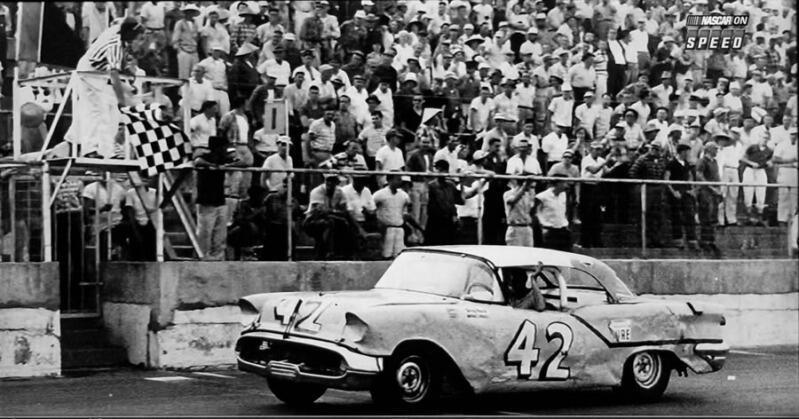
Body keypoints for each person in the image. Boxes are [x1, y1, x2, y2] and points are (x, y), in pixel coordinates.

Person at [65, 17, 144, 158]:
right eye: (139, 38)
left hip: (100, 72)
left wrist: (127, 78)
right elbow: (114, 74)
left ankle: (107, 149)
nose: (141, 42)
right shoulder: (115, 44)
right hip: (88, 71)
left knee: (109, 107)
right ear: (131, 37)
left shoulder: (121, 38)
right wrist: (122, 100)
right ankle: (90, 150)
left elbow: (119, 66)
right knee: (95, 109)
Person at [303, 173, 365, 259]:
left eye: (333, 181)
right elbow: (320, 212)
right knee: (329, 223)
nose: (330, 183)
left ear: (337, 182)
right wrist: (335, 212)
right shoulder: (317, 191)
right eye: (328, 180)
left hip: (333, 218)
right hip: (312, 220)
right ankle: (327, 252)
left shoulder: (339, 192)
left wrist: (332, 211)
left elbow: (344, 211)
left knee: (345, 223)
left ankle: (349, 253)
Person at [194, 136, 235, 260]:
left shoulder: (223, 159)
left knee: (220, 235)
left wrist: (225, 165)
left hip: (219, 200)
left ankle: (217, 258)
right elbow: (197, 162)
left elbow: (243, 162)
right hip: (206, 201)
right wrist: (212, 165)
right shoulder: (205, 157)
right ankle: (202, 258)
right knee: (205, 234)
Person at [629, 143, 667, 248]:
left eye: (657, 149)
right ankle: (643, 240)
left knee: (657, 216)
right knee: (644, 214)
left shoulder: (662, 160)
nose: (654, 151)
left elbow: (663, 173)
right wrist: (641, 183)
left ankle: (656, 239)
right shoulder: (642, 159)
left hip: (657, 189)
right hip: (646, 188)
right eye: (653, 149)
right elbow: (632, 173)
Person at [664, 144, 699, 250]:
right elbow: (666, 179)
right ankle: (678, 240)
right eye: (687, 151)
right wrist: (673, 191)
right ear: (682, 152)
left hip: (686, 192)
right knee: (677, 217)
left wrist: (692, 188)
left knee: (690, 215)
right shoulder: (671, 164)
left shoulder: (687, 164)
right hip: (676, 193)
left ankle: (691, 240)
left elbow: (690, 176)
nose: (688, 154)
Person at [373, 173, 413, 259]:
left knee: (398, 255)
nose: (400, 181)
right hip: (387, 228)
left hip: (399, 228)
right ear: (389, 180)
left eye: (400, 179)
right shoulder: (380, 194)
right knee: (386, 255)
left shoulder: (403, 195)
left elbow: (408, 207)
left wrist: (405, 216)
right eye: (397, 179)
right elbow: (371, 208)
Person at [425, 159, 465, 245]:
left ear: (446, 171)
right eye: (437, 169)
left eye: (441, 170)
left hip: (448, 220)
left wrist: (462, 183)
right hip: (435, 220)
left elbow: (459, 201)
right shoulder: (431, 185)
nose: (438, 172)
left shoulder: (451, 185)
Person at [695, 141, 722, 252]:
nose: (717, 151)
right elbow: (699, 175)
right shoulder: (702, 161)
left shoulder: (714, 161)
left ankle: (711, 241)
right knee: (706, 216)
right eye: (715, 149)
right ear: (709, 149)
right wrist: (711, 187)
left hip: (714, 193)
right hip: (705, 192)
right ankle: (704, 241)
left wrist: (719, 189)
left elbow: (717, 176)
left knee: (713, 217)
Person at [534, 175, 572, 252]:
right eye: (565, 182)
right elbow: (535, 212)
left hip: (563, 230)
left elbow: (565, 210)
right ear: (558, 183)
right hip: (549, 231)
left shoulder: (564, 195)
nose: (567, 184)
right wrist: (542, 225)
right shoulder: (542, 196)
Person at [504, 176, 535, 247]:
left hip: (527, 228)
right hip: (515, 229)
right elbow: (512, 201)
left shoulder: (528, 195)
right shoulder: (508, 193)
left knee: (529, 253)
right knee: (516, 254)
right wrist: (524, 187)